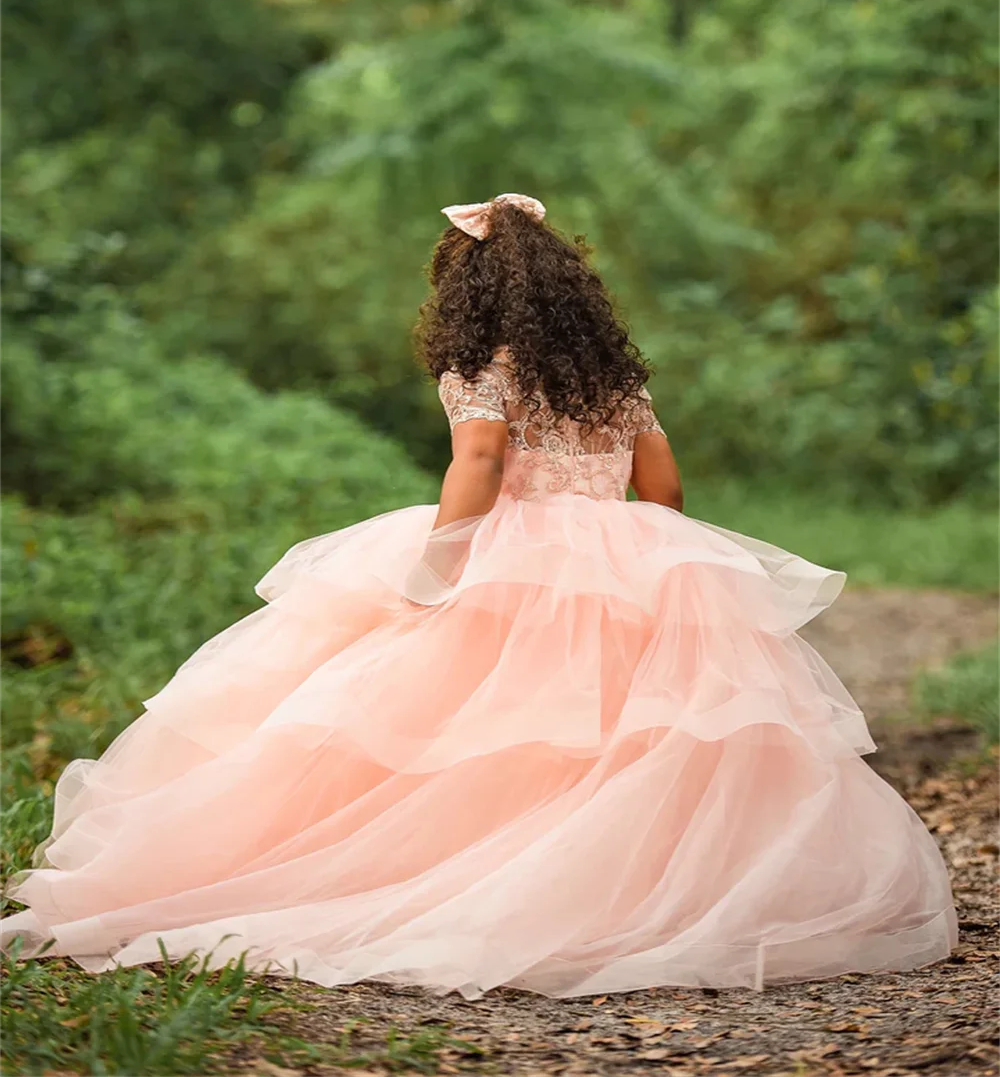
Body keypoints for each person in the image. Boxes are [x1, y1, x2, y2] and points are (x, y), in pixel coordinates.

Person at [1, 193, 956, 998]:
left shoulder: (483, 368)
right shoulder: (611, 375)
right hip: (624, 549)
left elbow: (483, 459)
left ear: (462, 288)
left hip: (516, 549)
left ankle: (461, 875)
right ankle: (615, 884)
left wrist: (446, 556)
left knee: (473, 722)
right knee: (618, 732)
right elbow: (661, 488)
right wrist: (634, 534)